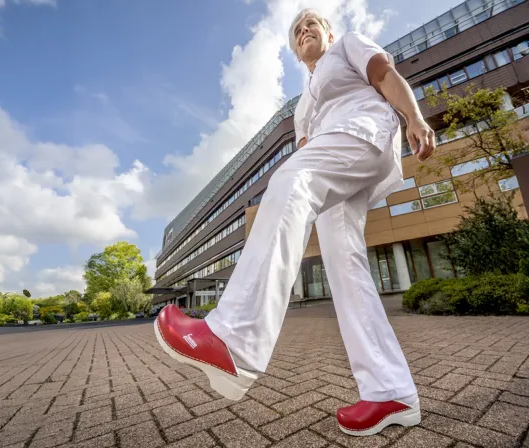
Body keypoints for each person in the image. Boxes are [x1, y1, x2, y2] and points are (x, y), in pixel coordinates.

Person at [154, 8, 436, 437]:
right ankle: (391, 393)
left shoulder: (348, 45)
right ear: (294, 49)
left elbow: (385, 76)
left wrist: (414, 118)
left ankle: (234, 338)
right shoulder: (304, 103)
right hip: (335, 158)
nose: (304, 31)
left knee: (291, 178)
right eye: (296, 30)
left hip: (362, 133)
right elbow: (305, 146)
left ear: (328, 32)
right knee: (346, 268)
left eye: (312, 25)